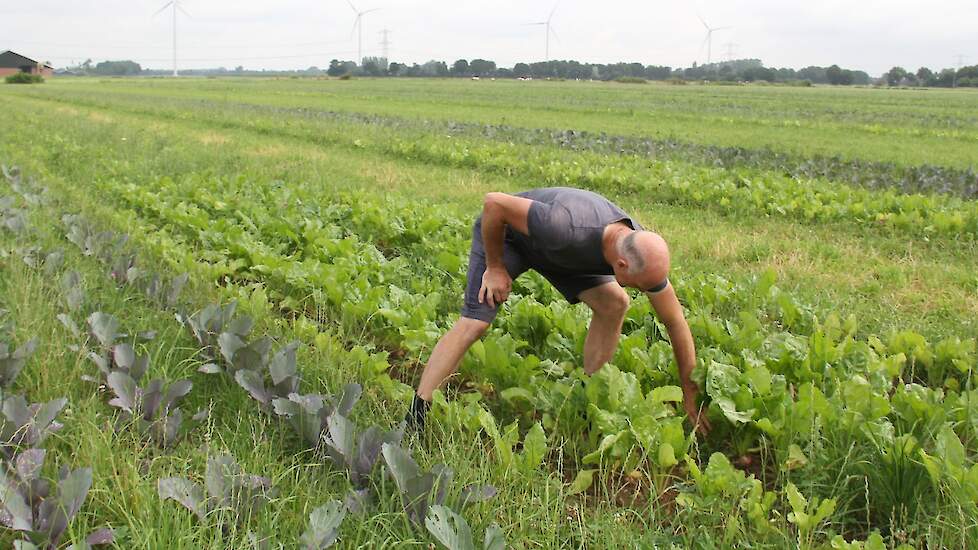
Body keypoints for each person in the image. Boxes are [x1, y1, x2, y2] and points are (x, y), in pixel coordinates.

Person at [407, 187, 710, 435]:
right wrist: (495, 266)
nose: (643, 290)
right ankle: (416, 416)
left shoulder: (641, 252)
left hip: (564, 257)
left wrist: (689, 389)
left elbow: (675, 321)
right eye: (639, 285)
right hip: (510, 238)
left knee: (614, 303)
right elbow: (494, 203)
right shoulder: (564, 225)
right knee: (475, 323)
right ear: (621, 266)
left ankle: (587, 395)